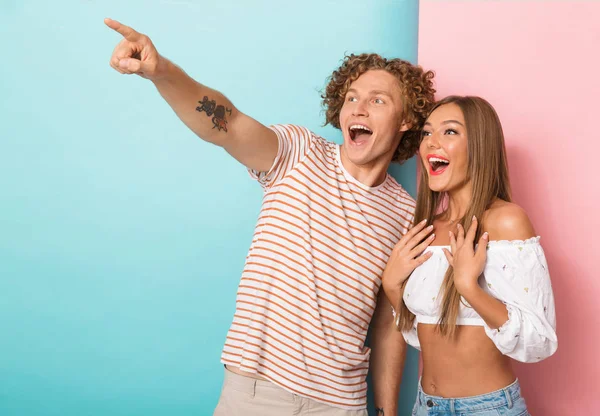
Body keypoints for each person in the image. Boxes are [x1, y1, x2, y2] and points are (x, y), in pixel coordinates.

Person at [104, 18, 436, 415]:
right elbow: (224, 123)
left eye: (377, 100)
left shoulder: (405, 214)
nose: (358, 108)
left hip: (343, 405)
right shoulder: (298, 153)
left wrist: (385, 411)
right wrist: (163, 73)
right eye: (351, 98)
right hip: (257, 394)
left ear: (406, 120)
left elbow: (389, 322)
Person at [382, 96, 558, 415]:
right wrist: (393, 288)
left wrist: (469, 288)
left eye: (449, 132)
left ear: (479, 145)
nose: (431, 143)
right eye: (426, 133)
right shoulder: (426, 230)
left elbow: (538, 343)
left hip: (488, 408)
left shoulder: (506, 221)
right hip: (425, 406)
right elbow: (426, 338)